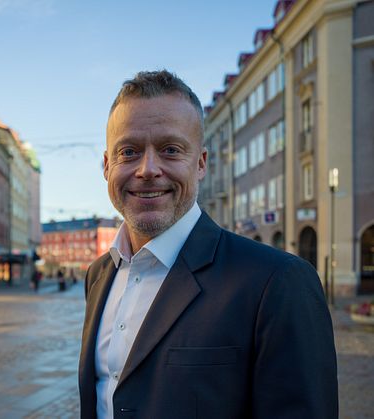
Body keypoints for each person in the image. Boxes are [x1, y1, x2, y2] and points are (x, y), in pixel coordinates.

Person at [78, 70, 337, 418]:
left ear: (200, 164)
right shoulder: (99, 275)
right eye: (129, 151)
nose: (147, 169)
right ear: (107, 166)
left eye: (170, 150)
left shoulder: (276, 282)